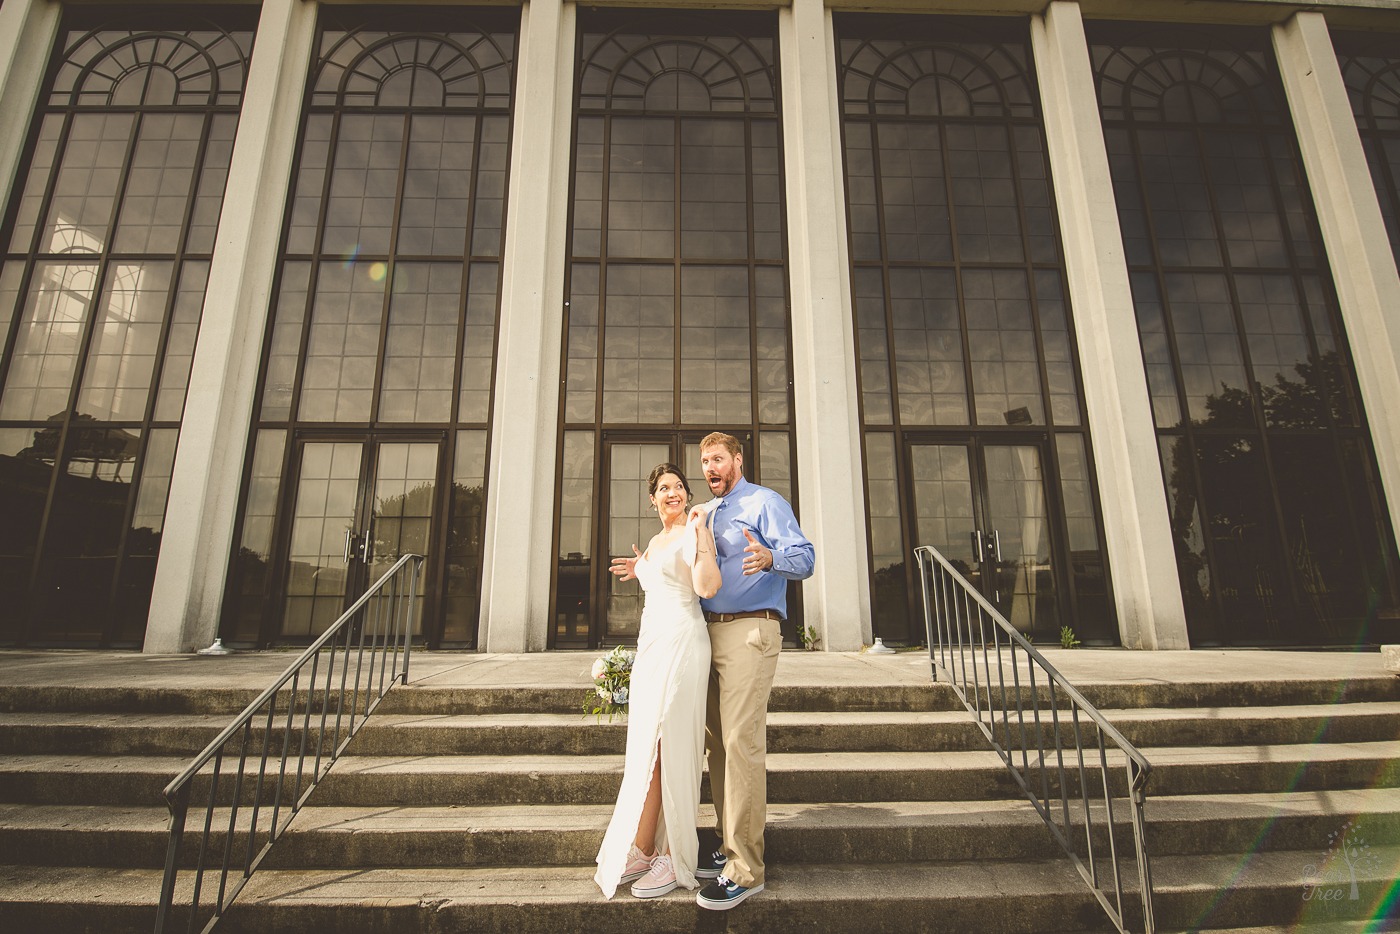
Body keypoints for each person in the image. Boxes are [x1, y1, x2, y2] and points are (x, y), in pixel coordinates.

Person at [693, 431, 814, 910]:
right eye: (704, 461)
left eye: (717, 459)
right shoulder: (706, 511)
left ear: (737, 460)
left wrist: (771, 557)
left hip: (751, 632)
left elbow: (804, 558)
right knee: (718, 747)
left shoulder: (765, 502)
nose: (709, 468)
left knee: (741, 744)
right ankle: (727, 848)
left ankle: (747, 869)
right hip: (708, 633)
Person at [595, 464, 721, 900]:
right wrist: (642, 563)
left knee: (673, 745)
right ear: (652, 499)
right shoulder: (655, 541)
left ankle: (674, 853)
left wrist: (702, 535)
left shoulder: (693, 530)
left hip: (685, 642)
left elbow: (706, 587)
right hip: (652, 646)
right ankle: (645, 846)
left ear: (687, 496)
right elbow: (660, 570)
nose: (673, 493)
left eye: (679, 487)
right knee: (647, 748)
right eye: (664, 488)